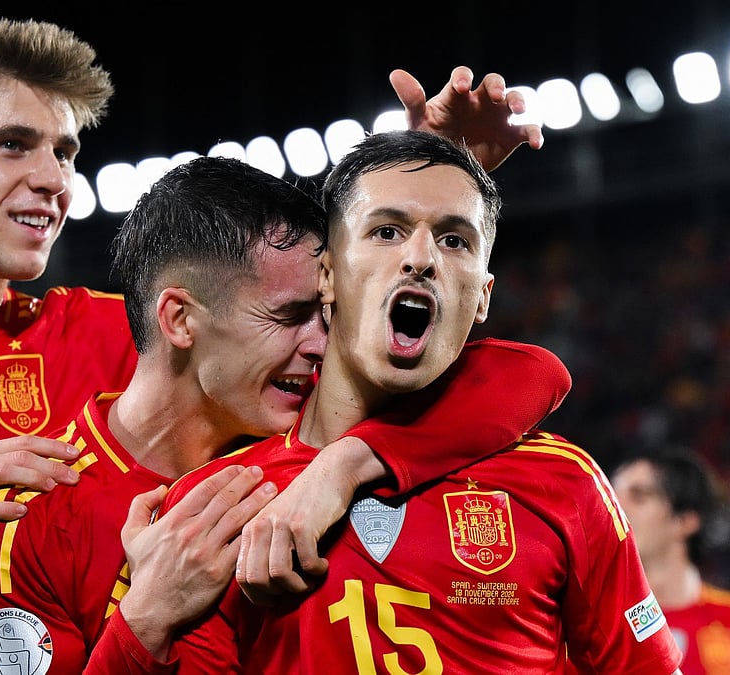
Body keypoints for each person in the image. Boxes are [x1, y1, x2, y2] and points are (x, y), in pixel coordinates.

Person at [0, 11, 545, 674]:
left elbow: (497, 379)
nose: (54, 180)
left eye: (67, 152)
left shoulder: (99, 329)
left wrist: (420, 190)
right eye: (13, 145)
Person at [0, 155, 571, 674]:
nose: (321, 344)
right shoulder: (23, 521)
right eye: (288, 317)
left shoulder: (323, 436)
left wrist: (344, 466)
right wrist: (146, 617)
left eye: (325, 313)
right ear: (180, 320)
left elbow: (529, 373)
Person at [96, 130, 686, 673]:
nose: (421, 258)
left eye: (454, 240)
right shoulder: (218, 510)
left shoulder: (565, 483)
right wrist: (143, 621)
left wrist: (347, 461)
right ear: (326, 275)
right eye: (386, 231)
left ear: (481, 297)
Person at [611, 446, 730, 675]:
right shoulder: (587, 626)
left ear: (685, 520)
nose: (614, 508)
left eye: (639, 496)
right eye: (611, 496)